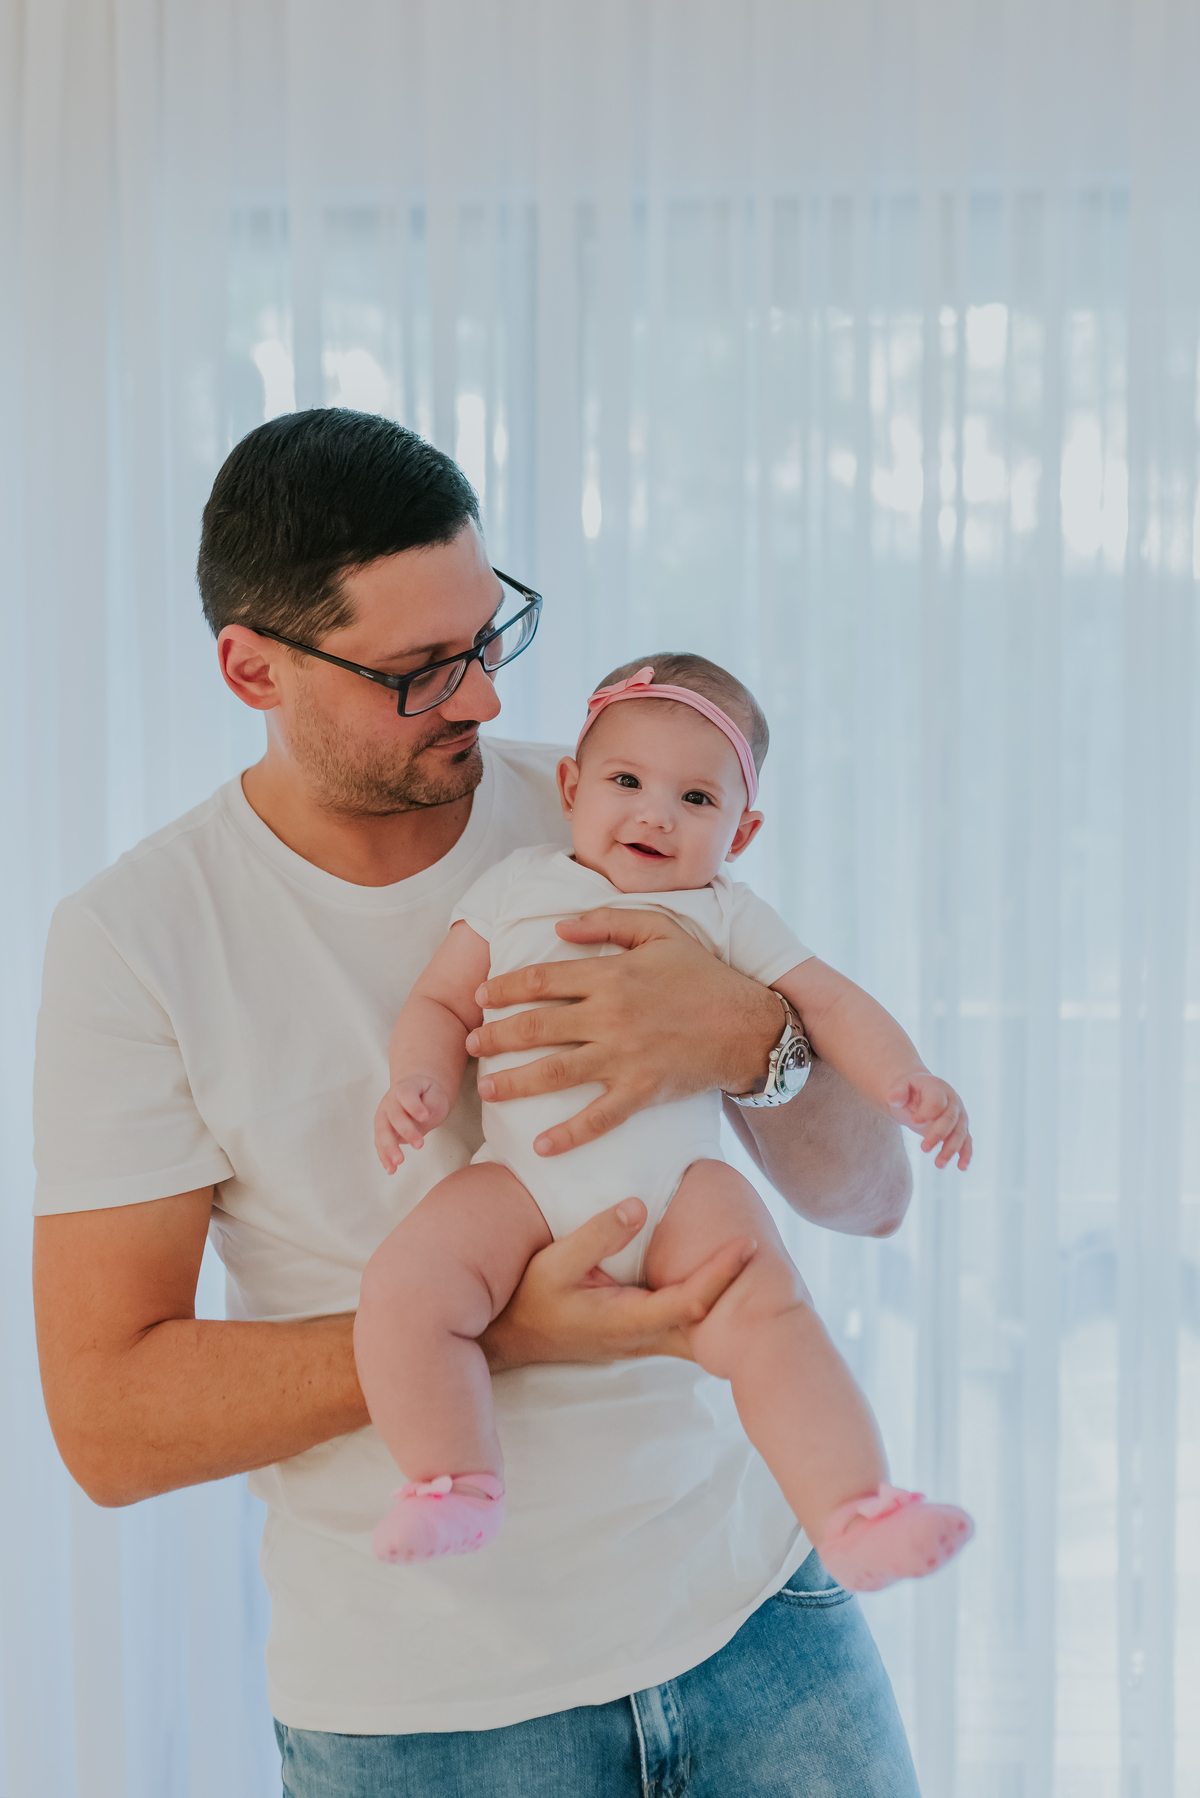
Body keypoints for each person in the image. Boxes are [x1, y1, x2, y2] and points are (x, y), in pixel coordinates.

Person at [33, 408, 924, 1795]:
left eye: (489, 632)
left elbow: (874, 1198)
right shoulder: (139, 939)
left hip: (761, 1621)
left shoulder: (623, 809)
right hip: (430, 1721)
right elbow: (109, 1418)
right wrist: (506, 1330)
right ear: (250, 666)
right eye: (418, 670)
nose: (487, 700)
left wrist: (757, 1041)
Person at [359, 654, 973, 1589]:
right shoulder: (518, 886)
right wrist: (419, 1083)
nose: (654, 814)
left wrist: (908, 1081)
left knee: (771, 1309)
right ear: (571, 787)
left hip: (682, 1192)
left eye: (695, 798)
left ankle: (856, 1509)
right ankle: (454, 1482)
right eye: (626, 782)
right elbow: (443, 1002)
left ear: (743, 829)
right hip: (522, 1179)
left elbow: (832, 1003)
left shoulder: (725, 913)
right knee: (407, 1286)